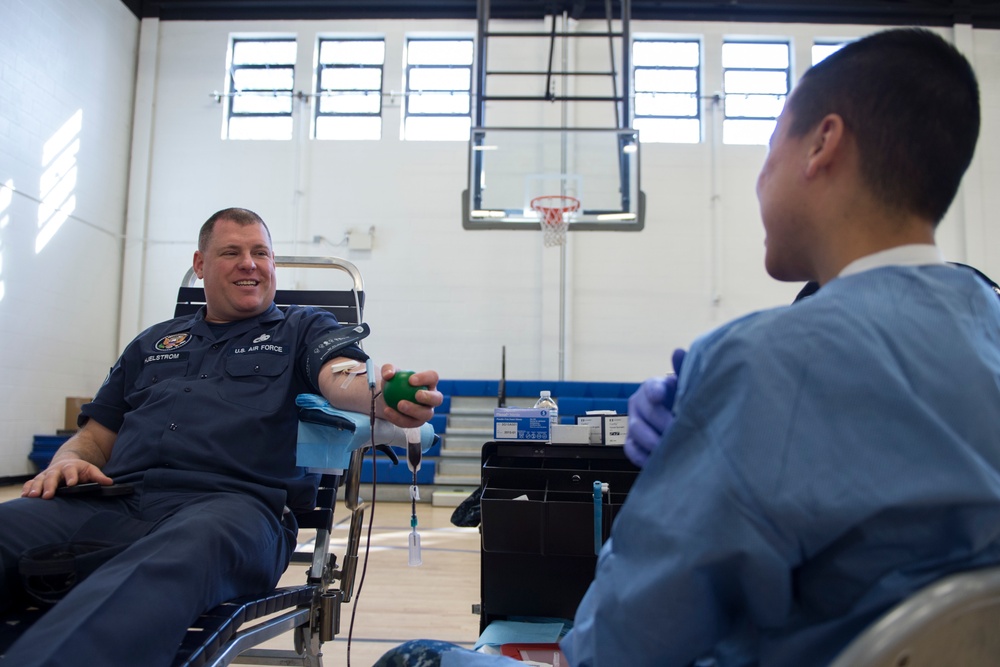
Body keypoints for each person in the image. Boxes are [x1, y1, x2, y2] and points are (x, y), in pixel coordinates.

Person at [377, 27, 1000, 666]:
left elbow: (628, 640)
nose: (760, 181)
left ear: (822, 143)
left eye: (769, 149)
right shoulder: (987, 320)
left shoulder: (760, 361)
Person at [0, 207, 443, 667]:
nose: (249, 263)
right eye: (231, 252)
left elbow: (341, 374)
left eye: (260, 253)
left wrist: (378, 396)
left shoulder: (303, 328)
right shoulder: (152, 342)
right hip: (111, 499)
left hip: (233, 511)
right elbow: (95, 436)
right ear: (200, 264)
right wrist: (68, 461)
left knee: (162, 567)